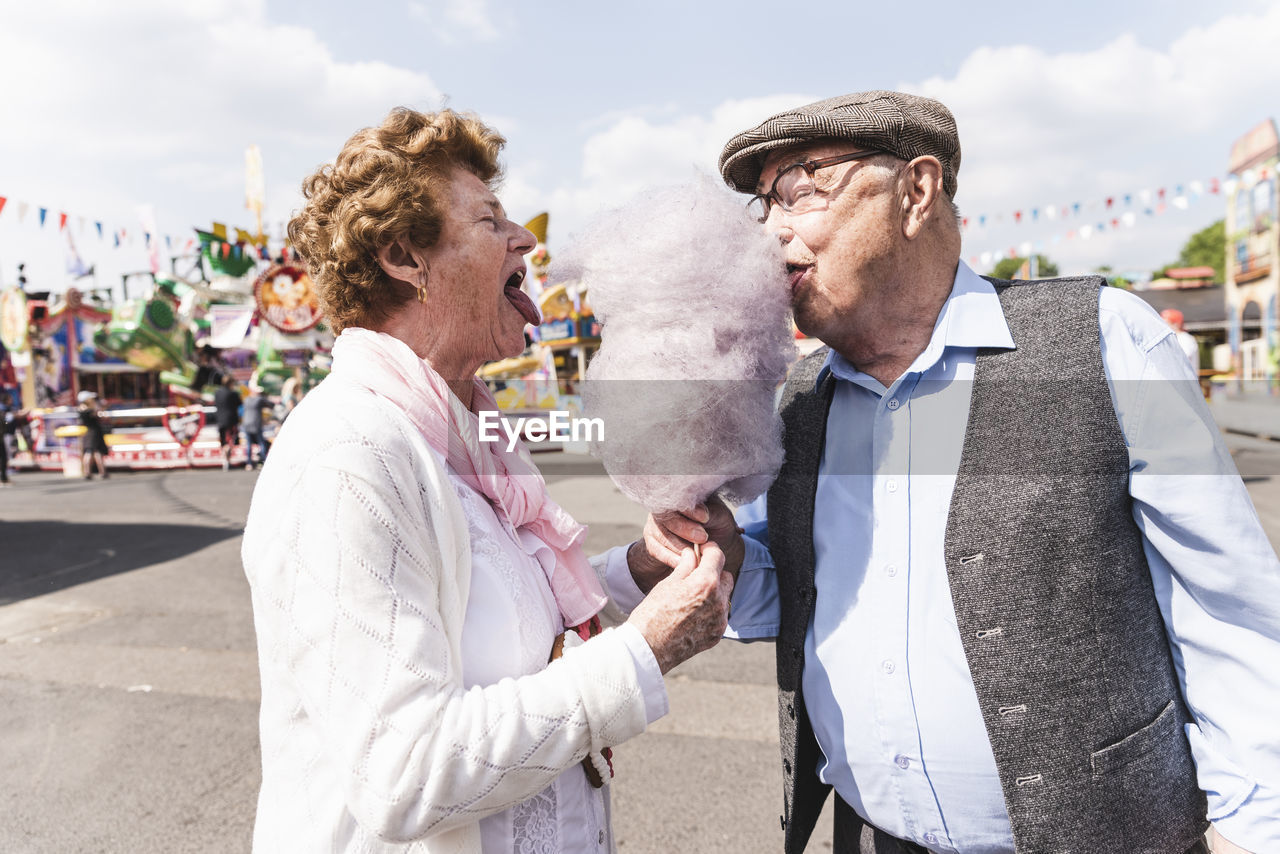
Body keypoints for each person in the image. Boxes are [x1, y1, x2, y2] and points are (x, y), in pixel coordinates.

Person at [624, 91, 1280, 854]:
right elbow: (791, 596)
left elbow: (1230, 615)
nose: (771, 231)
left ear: (917, 190)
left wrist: (1253, 831)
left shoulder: (1105, 341)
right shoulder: (802, 399)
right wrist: (721, 554)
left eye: (801, 189)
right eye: (762, 205)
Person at [240, 107, 734, 854]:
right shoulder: (348, 454)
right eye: (490, 219)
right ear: (405, 256)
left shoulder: (460, 433)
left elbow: (497, 606)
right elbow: (404, 775)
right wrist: (644, 652)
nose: (525, 238)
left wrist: (641, 570)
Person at [76, 390, 110, 479]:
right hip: (94, 432)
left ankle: (87, 472)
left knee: (89, 451)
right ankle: (102, 472)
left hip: (88, 432)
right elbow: (100, 416)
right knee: (96, 452)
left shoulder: (81, 409)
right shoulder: (89, 409)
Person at [213, 373, 242, 471]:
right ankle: (227, 460)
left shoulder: (217, 393)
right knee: (229, 441)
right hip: (231, 420)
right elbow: (239, 403)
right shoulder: (233, 393)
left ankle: (225, 460)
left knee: (223, 441)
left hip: (220, 420)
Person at [240, 382, 269, 470]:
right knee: (261, 443)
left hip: (246, 423)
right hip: (256, 424)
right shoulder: (259, 399)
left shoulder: (246, 400)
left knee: (249, 444)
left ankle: (249, 463)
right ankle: (263, 461)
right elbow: (270, 404)